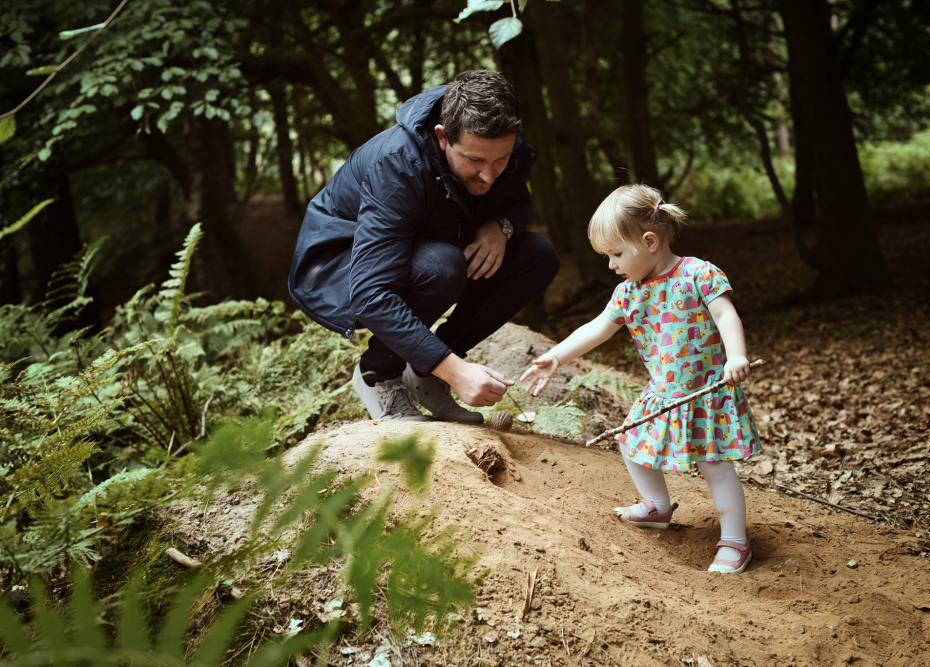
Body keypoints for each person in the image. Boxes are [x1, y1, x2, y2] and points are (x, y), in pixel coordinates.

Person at [288, 71, 559, 422]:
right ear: (443, 137)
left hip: (425, 240)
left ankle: (426, 373)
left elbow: (517, 202)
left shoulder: (501, 146)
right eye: (475, 161)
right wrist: (457, 371)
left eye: (500, 161)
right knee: (442, 266)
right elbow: (370, 293)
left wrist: (501, 227)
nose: (489, 176)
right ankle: (377, 376)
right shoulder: (397, 164)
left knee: (537, 255)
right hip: (340, 263)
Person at [520, 184, 761, 574]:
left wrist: (736, 355)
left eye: (616, 254)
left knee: (715, 466)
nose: (612, 265)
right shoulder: (628, 292)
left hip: (705, 394)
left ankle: (735, 539)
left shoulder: (698, 273)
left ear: (649, 241)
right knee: (632, 441)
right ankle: (657, 507)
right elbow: (597, 328)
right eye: (607, 256)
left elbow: (725, 315)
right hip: (662, 392)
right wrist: (556, 356)